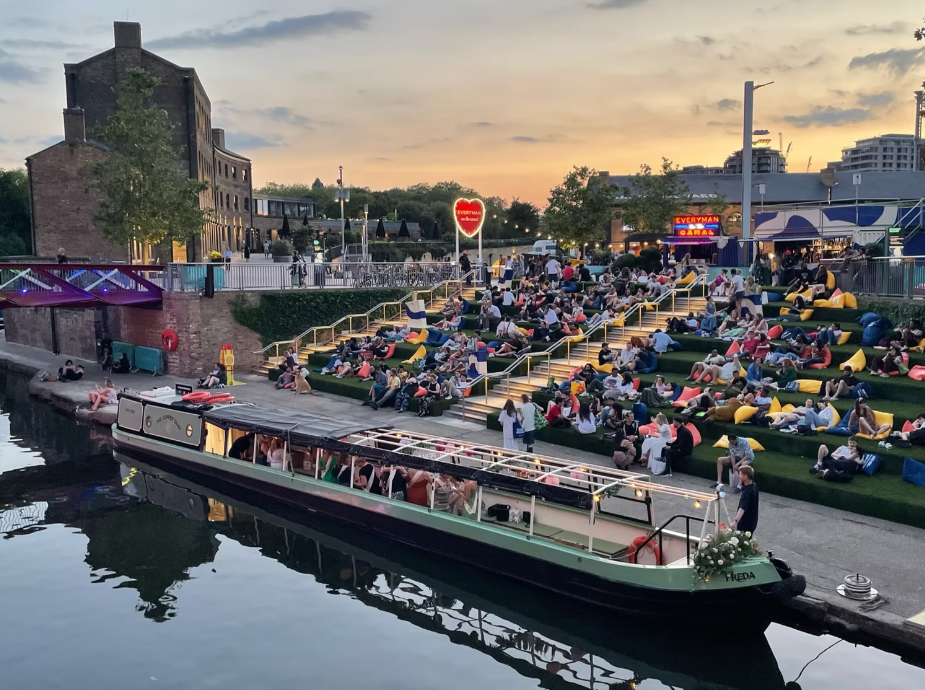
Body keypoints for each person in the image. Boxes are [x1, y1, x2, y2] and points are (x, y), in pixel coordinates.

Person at [731, 466, 759, 534]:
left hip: (745, 523)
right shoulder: (754, 486)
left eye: (740, 474)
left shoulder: (747, 492)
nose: (739, 476)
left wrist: (735, 521)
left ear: (745, 476)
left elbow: (742, 508)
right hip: (752, 522)